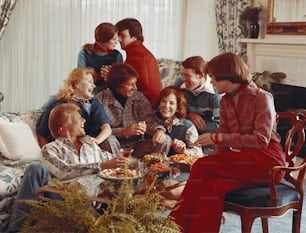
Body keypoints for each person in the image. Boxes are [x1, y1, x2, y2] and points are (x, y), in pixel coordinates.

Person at [169, 52, 286, 233]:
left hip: (268, 162)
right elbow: (223, 143)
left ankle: (172, 226)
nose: (212, 82)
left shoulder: (262, 98)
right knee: (212, 186)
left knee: (201, 165)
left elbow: (261, 141)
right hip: (244, 162)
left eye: (213, 77)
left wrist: (217, 138)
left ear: (227, 75)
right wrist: (217, 164)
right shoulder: (225, 101)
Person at [7, 103, 128, 233]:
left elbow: (113, 163)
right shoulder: (50, 149)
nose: (84, 120)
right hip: (66, 198)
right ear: (63, 126)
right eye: (78, 118)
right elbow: (62, 171)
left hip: (95, 198)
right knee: (36, 168)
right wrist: (100, 166)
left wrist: (129, 163)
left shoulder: (91, 146)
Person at [36, 67, 119, 155]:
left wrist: (96, 141)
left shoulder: (93, 103)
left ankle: (117, 167)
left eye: (93, 82)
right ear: (76, 84)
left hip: (87, 144)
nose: (94, 86)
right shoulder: (56, 104)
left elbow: (107, 128)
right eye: (89, 82)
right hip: (63, 146)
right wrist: (48, 154)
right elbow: (41, 133)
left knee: (110, 140)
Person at [96, 63, 169, 158]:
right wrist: (123, 132)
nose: (135, 88)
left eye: (135, 83)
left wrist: (159, 131)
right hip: (114, 148)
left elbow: (150, 121)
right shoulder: (100, 100)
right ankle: (117, 170)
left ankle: (153, 170)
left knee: (165, 139)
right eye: (130, 84)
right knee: (107, 139)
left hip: (138, 146)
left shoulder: (139, 97)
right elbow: (96, 132)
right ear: (117, 85)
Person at [116, 18, 161, 107]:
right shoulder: (136, 51)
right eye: (118, 36)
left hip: (146, 103)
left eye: (123, 36)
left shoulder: (137, 53)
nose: (119, 40)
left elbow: (141, 82)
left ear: (134, 37)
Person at [155, 86, 202, 156]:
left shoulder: (187, 126)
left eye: (171, 103)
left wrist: (184, 151)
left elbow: (199, 153)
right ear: (159, 104)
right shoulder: (152, 122)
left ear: (177, 107)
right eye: (163, 101)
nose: (166, 106)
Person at [178, 56, 221, 134]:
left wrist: (190, 126)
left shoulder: (216, 93)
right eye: (182, 74)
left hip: (206, 132)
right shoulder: (179, 84)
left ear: (201, 75)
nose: (183, 79)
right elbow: (171, 109)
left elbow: (220, 126)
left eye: (187, 75)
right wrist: (188, 115)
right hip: (185, 127)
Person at [77, 22, 123, 94]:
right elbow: (80, 78)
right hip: (89, 92)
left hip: (110, 94)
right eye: (114, 39)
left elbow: (120, 82)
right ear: (104, 40)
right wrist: (98, 75)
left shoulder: (117, 55)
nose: (116, 42)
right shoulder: (84, 53)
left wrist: (111, 76)